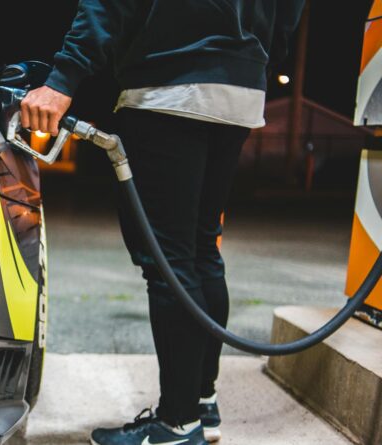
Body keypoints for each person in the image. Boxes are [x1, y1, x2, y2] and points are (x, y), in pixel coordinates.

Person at [20, 1, 305, 444]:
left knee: (168, 260)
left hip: (170, 81)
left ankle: (177, 423)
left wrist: (63, 78)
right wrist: (253, 56)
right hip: (241, 87)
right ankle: (201, 402)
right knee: (202, 249)